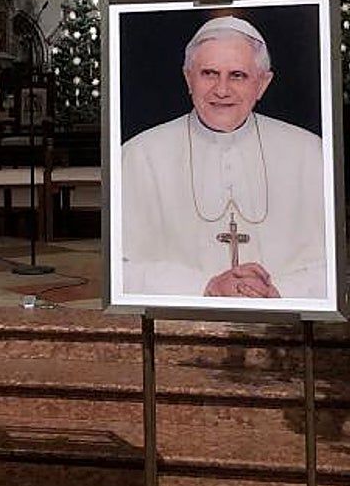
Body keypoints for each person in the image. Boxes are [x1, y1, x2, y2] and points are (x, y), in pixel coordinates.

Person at [121, 15, 327, 299]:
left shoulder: (309, 153)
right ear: (188, 78)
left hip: (282, 320)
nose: (221, 90)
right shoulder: (140, 155)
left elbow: (331, 267)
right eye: (209, 73)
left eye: (237, 75)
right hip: (180, 320)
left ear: (263, 83)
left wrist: (278, 291)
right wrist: (205, 287)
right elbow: (121, 270)